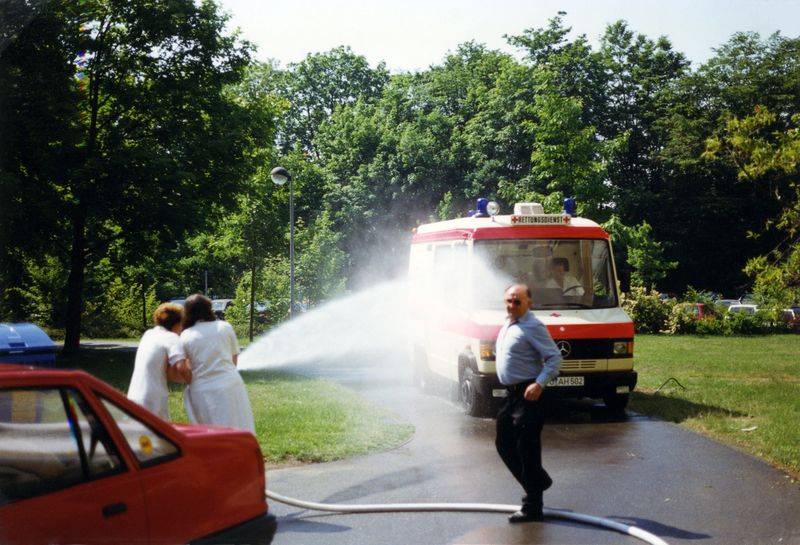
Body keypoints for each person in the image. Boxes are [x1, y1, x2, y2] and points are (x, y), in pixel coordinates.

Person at [494, 284, 562, 523]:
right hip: (511, 394)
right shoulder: (508, 323)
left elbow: (554, 358)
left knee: (527, 449)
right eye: (508, 301)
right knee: (503, 443)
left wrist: (539, 384)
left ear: (529, 303)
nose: (511, 305)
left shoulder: (533, 326)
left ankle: (533, 507)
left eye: (517, 301)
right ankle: (539, 481)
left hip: (529, 394)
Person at [180, 294, 255, 433]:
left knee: (210, 434)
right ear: (209, 309)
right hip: (231, 385)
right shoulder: (224, 327)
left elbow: (186, 367)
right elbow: (234, 359)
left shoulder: (186, 335)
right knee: (240, 427)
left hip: (201, 390)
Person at [128, 302, 192, 421]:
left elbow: (169, 374)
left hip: (133, 397)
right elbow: (181, 368)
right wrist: (194, 383)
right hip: (153, 401)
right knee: (162, 433)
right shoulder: (171, 337)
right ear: (178, 324)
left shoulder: (149, 335)